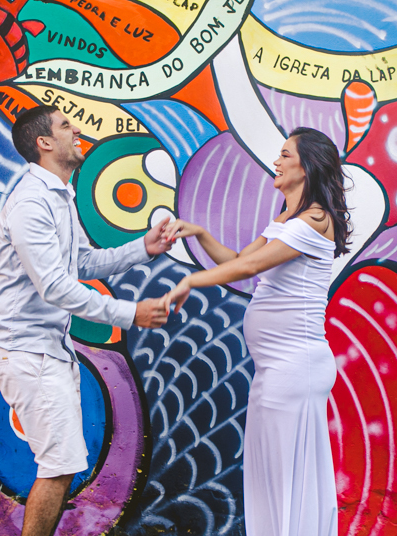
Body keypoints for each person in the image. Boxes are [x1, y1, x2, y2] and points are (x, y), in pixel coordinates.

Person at [0, 104, 173, 536]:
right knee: (59, 464)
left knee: (61, 464)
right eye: (66, 125)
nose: (78, 131)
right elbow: (54, 286)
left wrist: (143, 247)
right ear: (44, 143)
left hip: (45, 349)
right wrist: (130, 314)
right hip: (23, 350)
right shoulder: (31, 202)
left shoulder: (57, 195)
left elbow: (81, 262)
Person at [162, 127, 350, 536]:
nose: (277, 161)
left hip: (295, 365)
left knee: (287, 479)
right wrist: (202, 234)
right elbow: (238, 259)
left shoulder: (315, 219)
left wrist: (193, 281)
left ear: (307, 166)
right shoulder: (286, 219)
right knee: (270, 477)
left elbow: (249, 269)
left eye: (286, 155)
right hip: (276, 368)